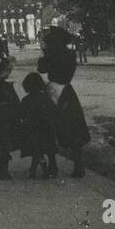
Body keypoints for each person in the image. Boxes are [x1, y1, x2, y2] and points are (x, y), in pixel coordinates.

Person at [38, 24, 89, 177]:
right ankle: (79, 166)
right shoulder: (70, 54)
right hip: (67, 89)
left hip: (52, 88)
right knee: (73, 128)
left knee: (48, 128)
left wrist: (44, 53)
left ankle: (53, 165)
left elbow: (41, 69)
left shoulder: (50, 54)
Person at [19, 71, 57, 178]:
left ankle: (40, 169)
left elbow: (21, 113)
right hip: (46, 128)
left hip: (32, 129)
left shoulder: (26, 100)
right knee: (50, 151)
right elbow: (53, 110)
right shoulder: (45, 98)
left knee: (37, 151)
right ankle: (52, 167)